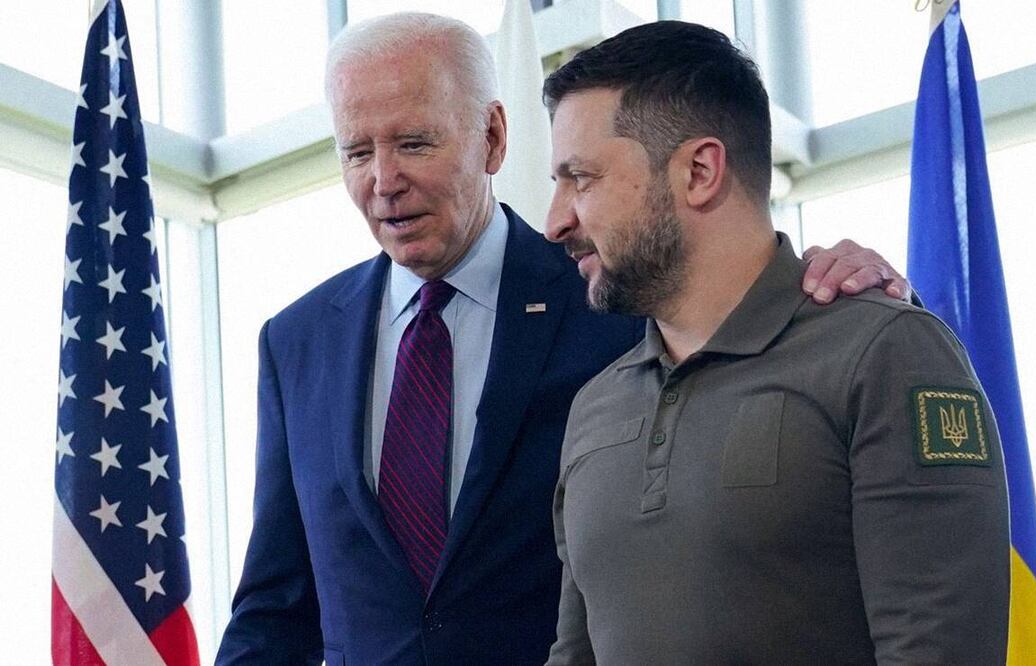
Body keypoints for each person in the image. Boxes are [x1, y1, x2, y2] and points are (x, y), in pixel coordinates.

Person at [215, 13, 912, 666]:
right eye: (356, 152)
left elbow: (745, 303)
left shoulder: (618, 293)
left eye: (414, 143)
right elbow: (277, 606)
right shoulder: (297, 342)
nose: (383, 181)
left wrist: (847, 287)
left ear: (491, 137)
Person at [541, 20, 1010, 666]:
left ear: (699, 171)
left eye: (581, 178)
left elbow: (937, 652)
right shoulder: (594, 405)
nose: (555, 220)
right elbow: (574, 654)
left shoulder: (884, 354)